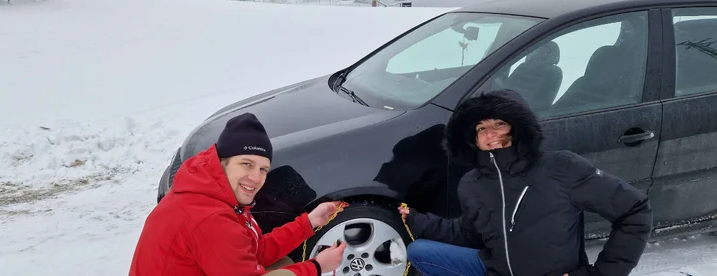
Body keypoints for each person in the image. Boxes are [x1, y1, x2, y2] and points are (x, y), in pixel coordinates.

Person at [398, 89, 653, 276]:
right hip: (495, 270)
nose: (491, 134)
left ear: (518, 127)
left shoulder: (560, 167)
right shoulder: (471, 183)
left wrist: (598, 274)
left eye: (499, 123)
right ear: (473, 138)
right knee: (420, 251)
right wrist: (417, 220)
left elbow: (634, 211)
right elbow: (469, 235)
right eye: (481, 128)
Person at [129, 112, 347, 276]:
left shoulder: (213, 195)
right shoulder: (210, 219)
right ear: (223, 162)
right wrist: (318, 266)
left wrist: (308, 222)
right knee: (288, 268)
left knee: (283, 264)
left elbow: (254, 251)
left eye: (263, 169)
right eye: (246, 164)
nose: (255, 177)